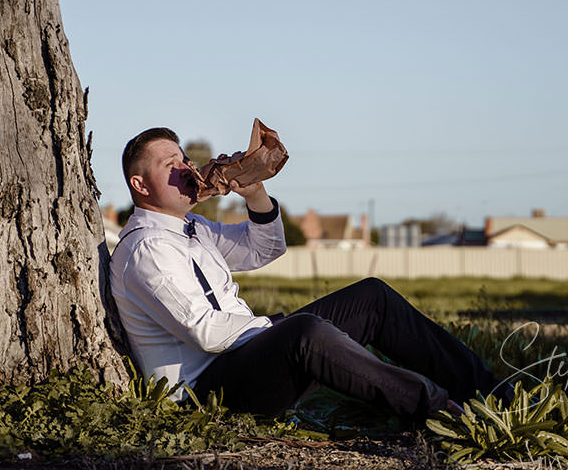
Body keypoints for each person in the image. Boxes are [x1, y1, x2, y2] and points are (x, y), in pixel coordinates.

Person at [109, 127, 507, 421]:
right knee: (306, 333)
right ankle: (441, 411)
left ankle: (496, 395)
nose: (186, 169)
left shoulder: (194, 228)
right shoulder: (147, 247)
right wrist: (279, 325)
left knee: (372, 298)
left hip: (244, 358)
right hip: (206, 392)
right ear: (139, 184)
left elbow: (263, 248)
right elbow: (205, 332)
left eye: (184, 160)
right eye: (170, 165)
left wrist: (254, 193)